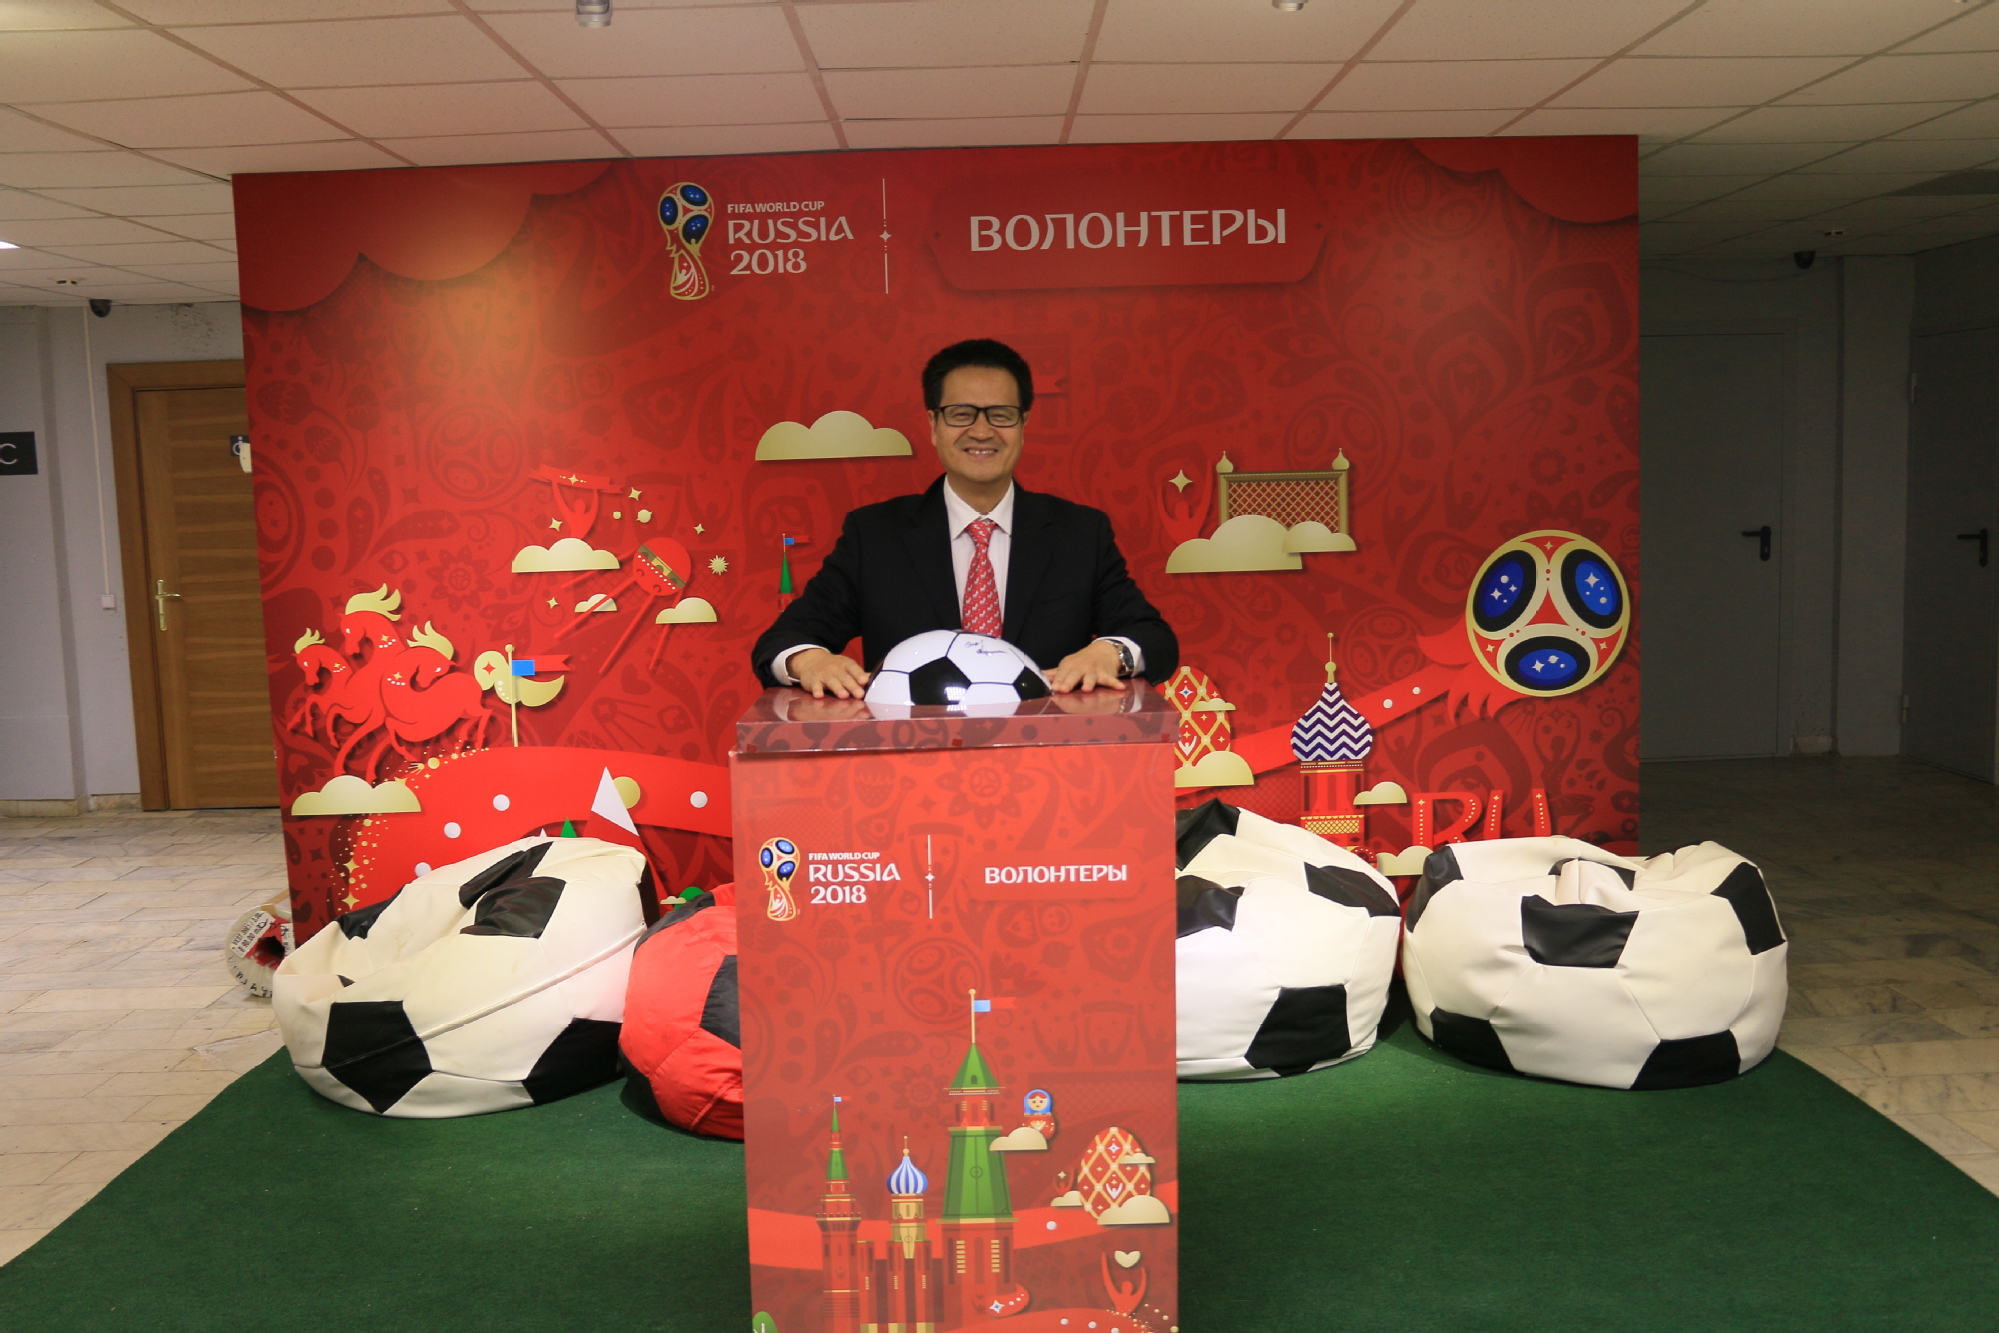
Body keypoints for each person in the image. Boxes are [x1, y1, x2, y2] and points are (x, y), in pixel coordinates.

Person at [752, 339, 1178, 698]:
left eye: (1000, 414)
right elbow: (782, 640)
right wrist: (810, 660)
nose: (981, 431)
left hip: (1051, 756)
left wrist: (1110, 653)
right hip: (912, 755)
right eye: (961, 414)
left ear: (1024, 424)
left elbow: (1154, 639)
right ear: (933, 424)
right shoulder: (875, 536)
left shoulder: (1079, 534)